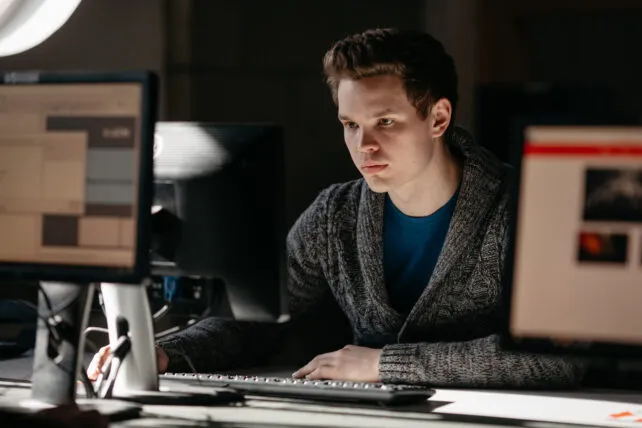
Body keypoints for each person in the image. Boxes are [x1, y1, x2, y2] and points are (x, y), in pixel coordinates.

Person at [89, 28, 584, 388]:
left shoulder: (518, 209)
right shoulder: (336, 215)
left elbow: (558, 357)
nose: (363, 145)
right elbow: (257, 319)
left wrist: (384, 365)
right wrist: (167, 354)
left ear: (438, 117)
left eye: (385, 122)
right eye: (350, 124)